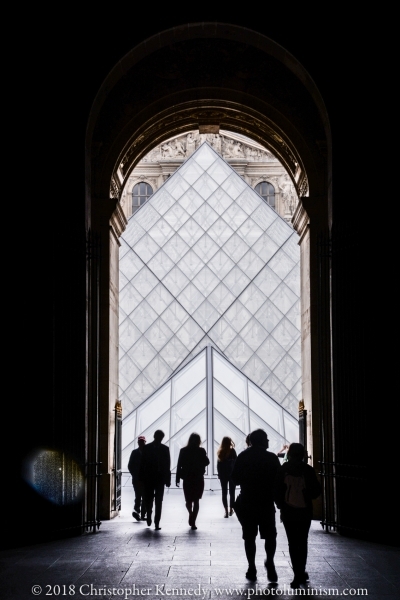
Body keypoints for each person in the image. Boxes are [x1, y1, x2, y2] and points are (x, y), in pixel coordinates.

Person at [232, 429, 281, 582]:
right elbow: (279, 481)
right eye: (266, 439)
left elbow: (235, 479)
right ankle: (270, 561)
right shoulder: (271, 458)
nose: (268, 441)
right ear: (261, 441)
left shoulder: (243, 456)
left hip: (248, 501)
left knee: (249, 536)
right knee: (270, 536)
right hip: (266, 502)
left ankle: (251, 567)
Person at [274, 442, 321, 589]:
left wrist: (281, 505)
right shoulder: (308, 470)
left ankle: (296, 574)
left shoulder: (283, 469)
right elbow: (316, 491)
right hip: (304, 511)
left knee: (293, 543)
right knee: (303, 541)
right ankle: (301, 571)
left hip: (288, 511)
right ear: (303, 455)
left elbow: (277, 490)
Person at [176, 433, 210, 530]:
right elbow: (207, 462)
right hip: (198, 478)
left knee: (188, 500)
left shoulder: (183, 451)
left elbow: (179, 465)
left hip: (187, 478)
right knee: (196, 500)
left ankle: (190, 514)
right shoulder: (201, 451)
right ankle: (193, 520)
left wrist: (177, 478)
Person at [138, 430, 171, 530]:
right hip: (155, 479)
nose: (159, 439)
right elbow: (167, 466)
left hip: (150, 478)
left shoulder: (147, 448)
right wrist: (167, 479)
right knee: (156, 500)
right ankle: (153, 518)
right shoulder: (165, 449)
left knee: (153, 500)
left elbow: (142, 464)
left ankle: (154, 519)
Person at [216, 437, 237, 518]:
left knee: (224, 493)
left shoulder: (220, 452)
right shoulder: (232, 451)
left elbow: (218, 465)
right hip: (232, 475)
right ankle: (231, 509)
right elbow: (236, 462)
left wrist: (219, 474)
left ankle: (226, 511)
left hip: (223, 475)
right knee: (232, 493)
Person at [127, 435, 147, 521]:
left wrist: (134, 474)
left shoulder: (134, 452)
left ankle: (138, 511)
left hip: (138, 478)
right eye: (140, 442)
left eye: (142, 442)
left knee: (139, 496)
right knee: (141, 496)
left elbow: (130, 466)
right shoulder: (147, 452)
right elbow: (130, 466)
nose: (141, 443)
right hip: (139, 479)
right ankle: (141, 513)